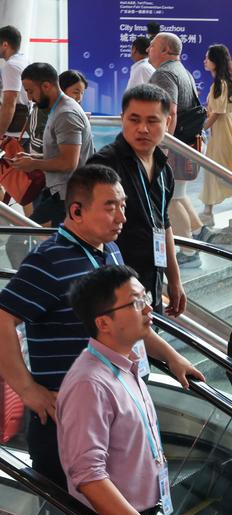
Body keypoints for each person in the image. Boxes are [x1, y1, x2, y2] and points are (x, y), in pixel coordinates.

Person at [0, 165, 202, 489]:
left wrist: (172, 357)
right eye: (110, 207)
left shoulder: (110, 251)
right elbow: (3, 318)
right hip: (68, 418)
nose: (121, 217)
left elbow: (131, 322)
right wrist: (27, 390)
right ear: (77, 211)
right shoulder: (48, 260)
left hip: (117, 407)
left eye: (122, 205)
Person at [57, 265, 169, 515]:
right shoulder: (90, 383)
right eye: (135, 303)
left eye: (145, 298)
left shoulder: (124, 365)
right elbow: (88, 475)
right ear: (103, 323)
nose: (148, 307)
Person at [87, 83, 184, 317]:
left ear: (168, 122)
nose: (142, 129)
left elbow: (163, 223)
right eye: (134, 119)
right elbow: (87, 232)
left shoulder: (164, 169)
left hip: (150, 282)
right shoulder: (104, 166)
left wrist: (174, 278)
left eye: (152, 121)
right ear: (122, 119)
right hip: (114, 290)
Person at [148, 32, 210, 266]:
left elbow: (170, 112)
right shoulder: (181, 70)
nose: (148, 50)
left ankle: (189, 252)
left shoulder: (164, 73)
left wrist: (163, 145)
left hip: (174, 146)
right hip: (186, 143)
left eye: (152, 46)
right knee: (179, 194)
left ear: (165, 50)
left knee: (170, 199)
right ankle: (199, 231)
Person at [11, 62, 93, 227]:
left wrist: (34, 163)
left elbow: (69, 162)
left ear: (46, 86)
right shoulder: (57, 109)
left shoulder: (66, 114)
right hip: (60, 192)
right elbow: (61, 154)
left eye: (30, 91)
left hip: (68, 197)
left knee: (22, 242)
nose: (29, 98)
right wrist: (33, 156)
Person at [200, 44, 232, 224]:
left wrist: (204, 127)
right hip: (222, 129)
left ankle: (208, 211)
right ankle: (208, 210)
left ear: (216, 61)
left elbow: (217, 112)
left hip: (221, 130)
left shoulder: (220, 84)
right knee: (221, 166)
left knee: (217, 167)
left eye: (208, 58)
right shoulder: (222, 82)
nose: (205, 61)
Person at [0, 25, 30, 137]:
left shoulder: (11, 66)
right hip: (22, 127)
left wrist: (0, 135)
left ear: (5, 44)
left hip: (13, 131)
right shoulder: (23, 60)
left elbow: (9, 103)